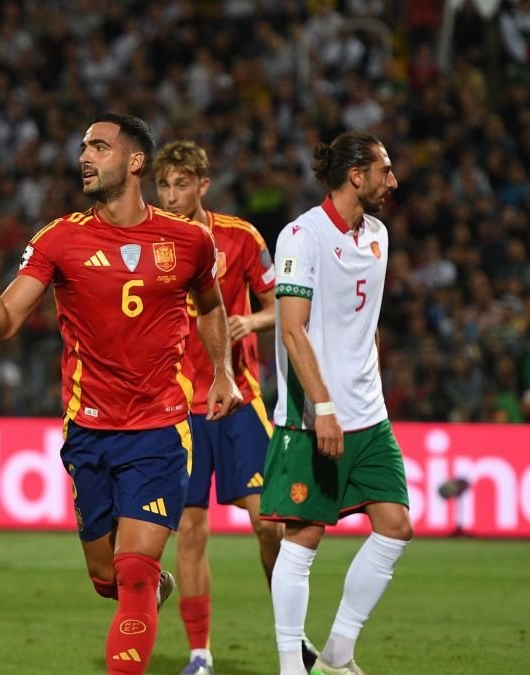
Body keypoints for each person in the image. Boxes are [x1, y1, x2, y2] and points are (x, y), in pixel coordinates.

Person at [0, 113, 243, 675]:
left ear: (135, 162)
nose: (85, 156)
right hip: (88, 431)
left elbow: (211, 306)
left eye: (99, 146)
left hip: (160, 430)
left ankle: (145, 591)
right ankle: (148, 586)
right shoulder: (60, 240)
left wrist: (224, 371)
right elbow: (0, 326)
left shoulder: (189, 241)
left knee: (133, 571)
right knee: (108, 579)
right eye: (83, 146)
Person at [155, 141, 316, 675]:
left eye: (183, 184)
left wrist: (252, 322)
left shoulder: (241, 238)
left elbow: (280, 308)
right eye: (164, 185)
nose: (172, 196)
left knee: (269, 524)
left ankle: (292, 642)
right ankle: (200, 654)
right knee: (192, 530)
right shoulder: (151, 242)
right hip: (179, 406)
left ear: (203, 185)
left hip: (239, 399)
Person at [262, 130, 410, 675]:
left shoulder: (378, 236)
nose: (391, 181)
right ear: (356, 176)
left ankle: (338, 656)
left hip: (369, 415)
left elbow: (365, 323)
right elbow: (293, 331)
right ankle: (290, 667)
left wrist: (365, 387)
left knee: (395, 525)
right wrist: (323, 406)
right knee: (303, 537)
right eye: (384, 171)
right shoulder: (301, 237)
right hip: (311, 418)